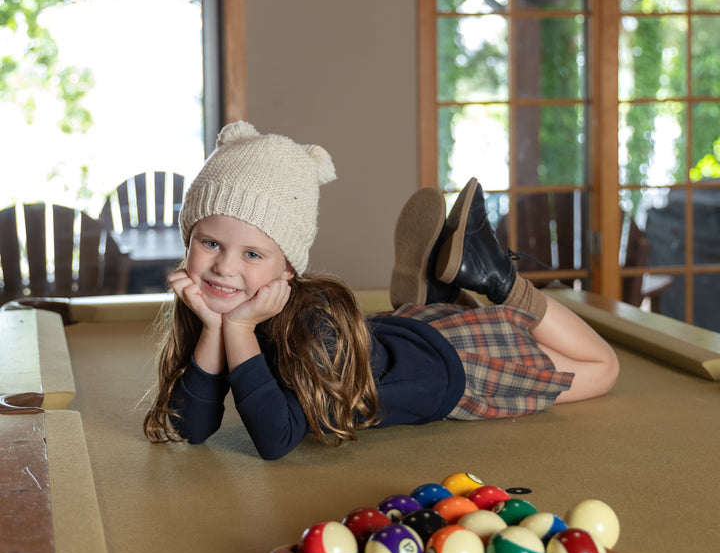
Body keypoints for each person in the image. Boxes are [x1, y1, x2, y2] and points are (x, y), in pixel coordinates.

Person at [143, 120, 619, 460]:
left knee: (603, 369)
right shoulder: (218, 312)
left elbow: (275, 441)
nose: (224, 266)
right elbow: (193, 428)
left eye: (252, 254)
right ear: (190, 240)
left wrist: (240, 327)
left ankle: (497, 276)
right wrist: (213, 328)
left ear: (288, 269)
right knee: (557, 354)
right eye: (210, 243)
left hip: (455, 367)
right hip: (406, 337)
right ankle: (436, 296)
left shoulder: (312, 319)